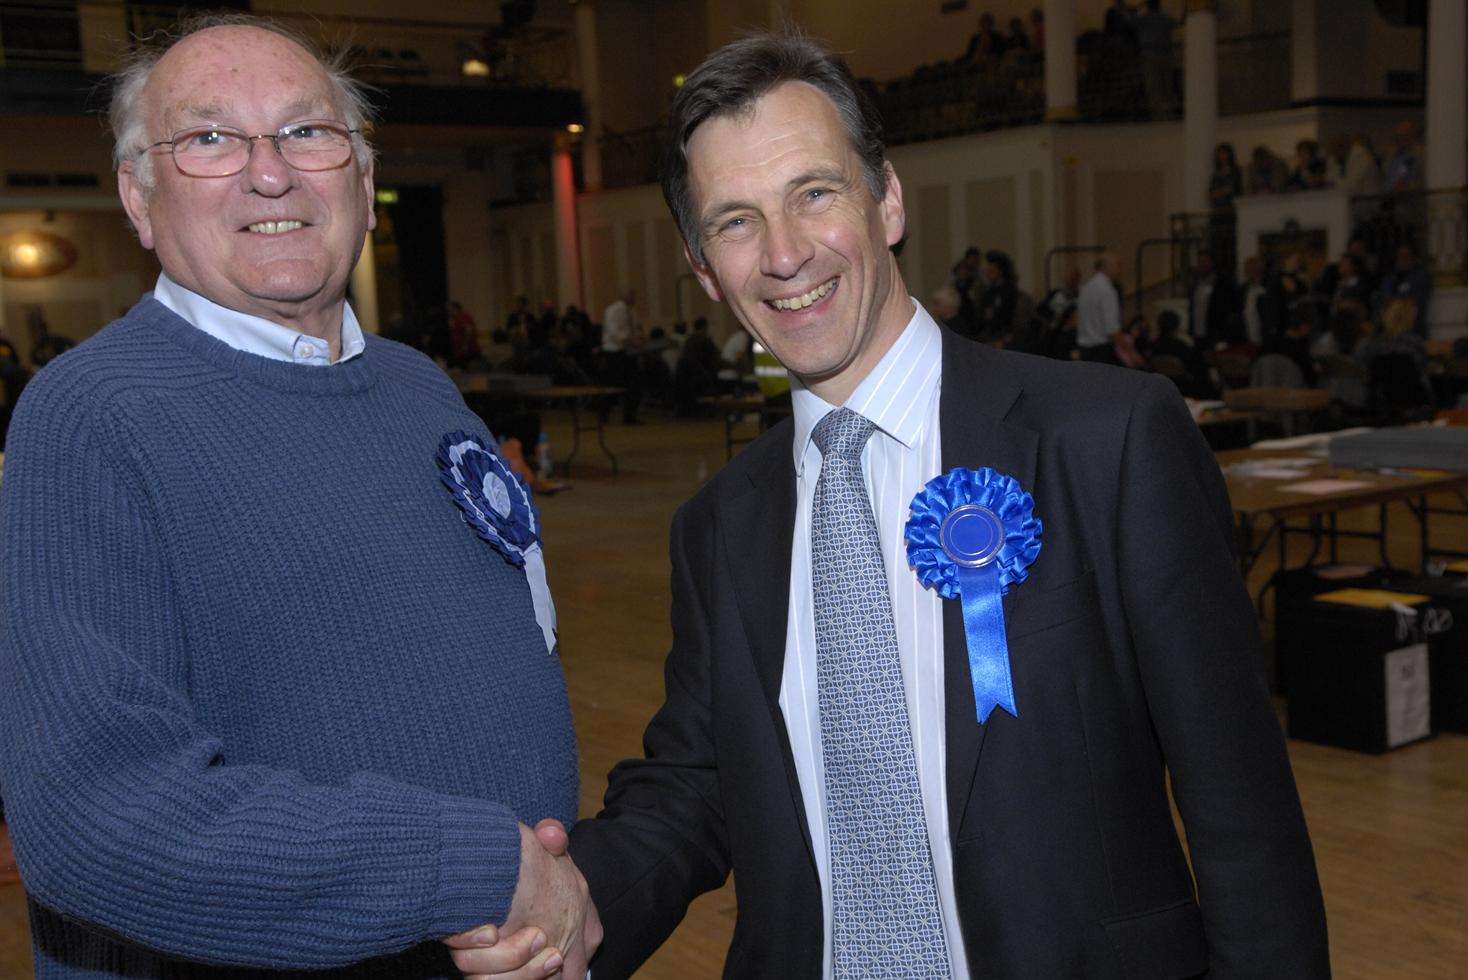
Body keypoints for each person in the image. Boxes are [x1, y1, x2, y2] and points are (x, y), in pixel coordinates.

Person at [465, 30, 1328, 980]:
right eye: (737, 221)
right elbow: (699, 786)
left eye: (815, 193)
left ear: (888, 198)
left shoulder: (1107, 441)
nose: (786, 254)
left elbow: (1243, 817)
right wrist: (576, 908)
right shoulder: (716, 527)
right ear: (705, 268)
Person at [0, 15, 597, 978]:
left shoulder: (420, 389)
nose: (268, 172)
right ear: (139, 199)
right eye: (208, 140)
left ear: (362, 179)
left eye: (307, 132)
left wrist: (539, 895)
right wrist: (470, 866)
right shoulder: (92, 417)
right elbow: (95, 816)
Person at [601, 288, 644, 423]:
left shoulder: (631, 311)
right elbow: (613, 332)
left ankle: (629, 416)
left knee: (633, 384)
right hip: (615, 351)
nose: (634, 298)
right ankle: (604, 414)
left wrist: (639, 337)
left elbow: (636, 328)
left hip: (628, 351)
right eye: (632, 295)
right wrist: (631, 340)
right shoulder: (613, 310)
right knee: (613, 384)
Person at [1076, 252, 1121, 361]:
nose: (1119, 270)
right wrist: (1130, 352)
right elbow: (1111, 328)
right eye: (1117, 266)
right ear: (1107, 267)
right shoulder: (1107, 290)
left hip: (1084, 348)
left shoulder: (1086, 287)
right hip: (1100, 350)